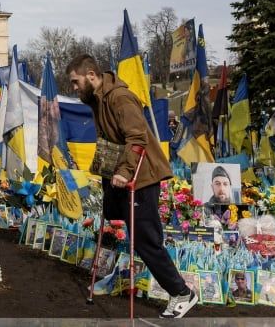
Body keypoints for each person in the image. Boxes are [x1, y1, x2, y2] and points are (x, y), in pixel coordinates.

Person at [66, 55, 198, 318]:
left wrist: (125, 172)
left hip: (141, 176)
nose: (74, 88)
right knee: (112, 215)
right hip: (118, 173)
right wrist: (103, 170)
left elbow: (136, 138)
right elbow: (106, 137)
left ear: (91, 75)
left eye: (75, 82)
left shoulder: (120, 98)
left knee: (145, 239)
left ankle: (182, 292)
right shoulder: (96, 99)